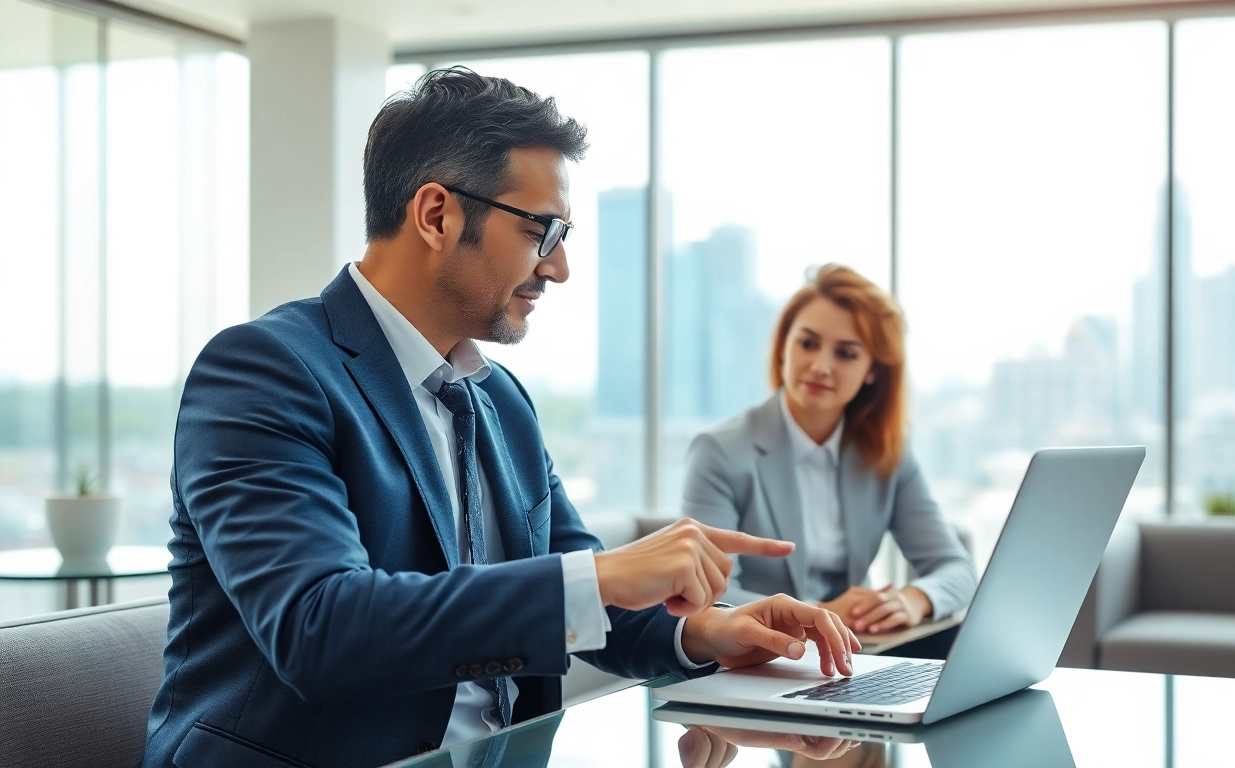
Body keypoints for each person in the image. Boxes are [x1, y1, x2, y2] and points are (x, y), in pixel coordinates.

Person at [140, 68, 859, 768]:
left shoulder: (500, 400)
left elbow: (584, 599)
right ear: (436, 214)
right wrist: (603, 575)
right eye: (543, 231)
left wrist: (708, 631)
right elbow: (321, 630)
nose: (560, 268)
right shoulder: (264, 371)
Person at [681, 264, 975, 653]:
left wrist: (911, 600)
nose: (821, 366)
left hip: (857, 657)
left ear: (872, 371)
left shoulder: (887, 453)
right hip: (757, 662)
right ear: (784, 346)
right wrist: (819, 613)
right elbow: (706, 597)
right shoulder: (719, 451)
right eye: (807, 343)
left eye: (846, 353)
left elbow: (957, 569)